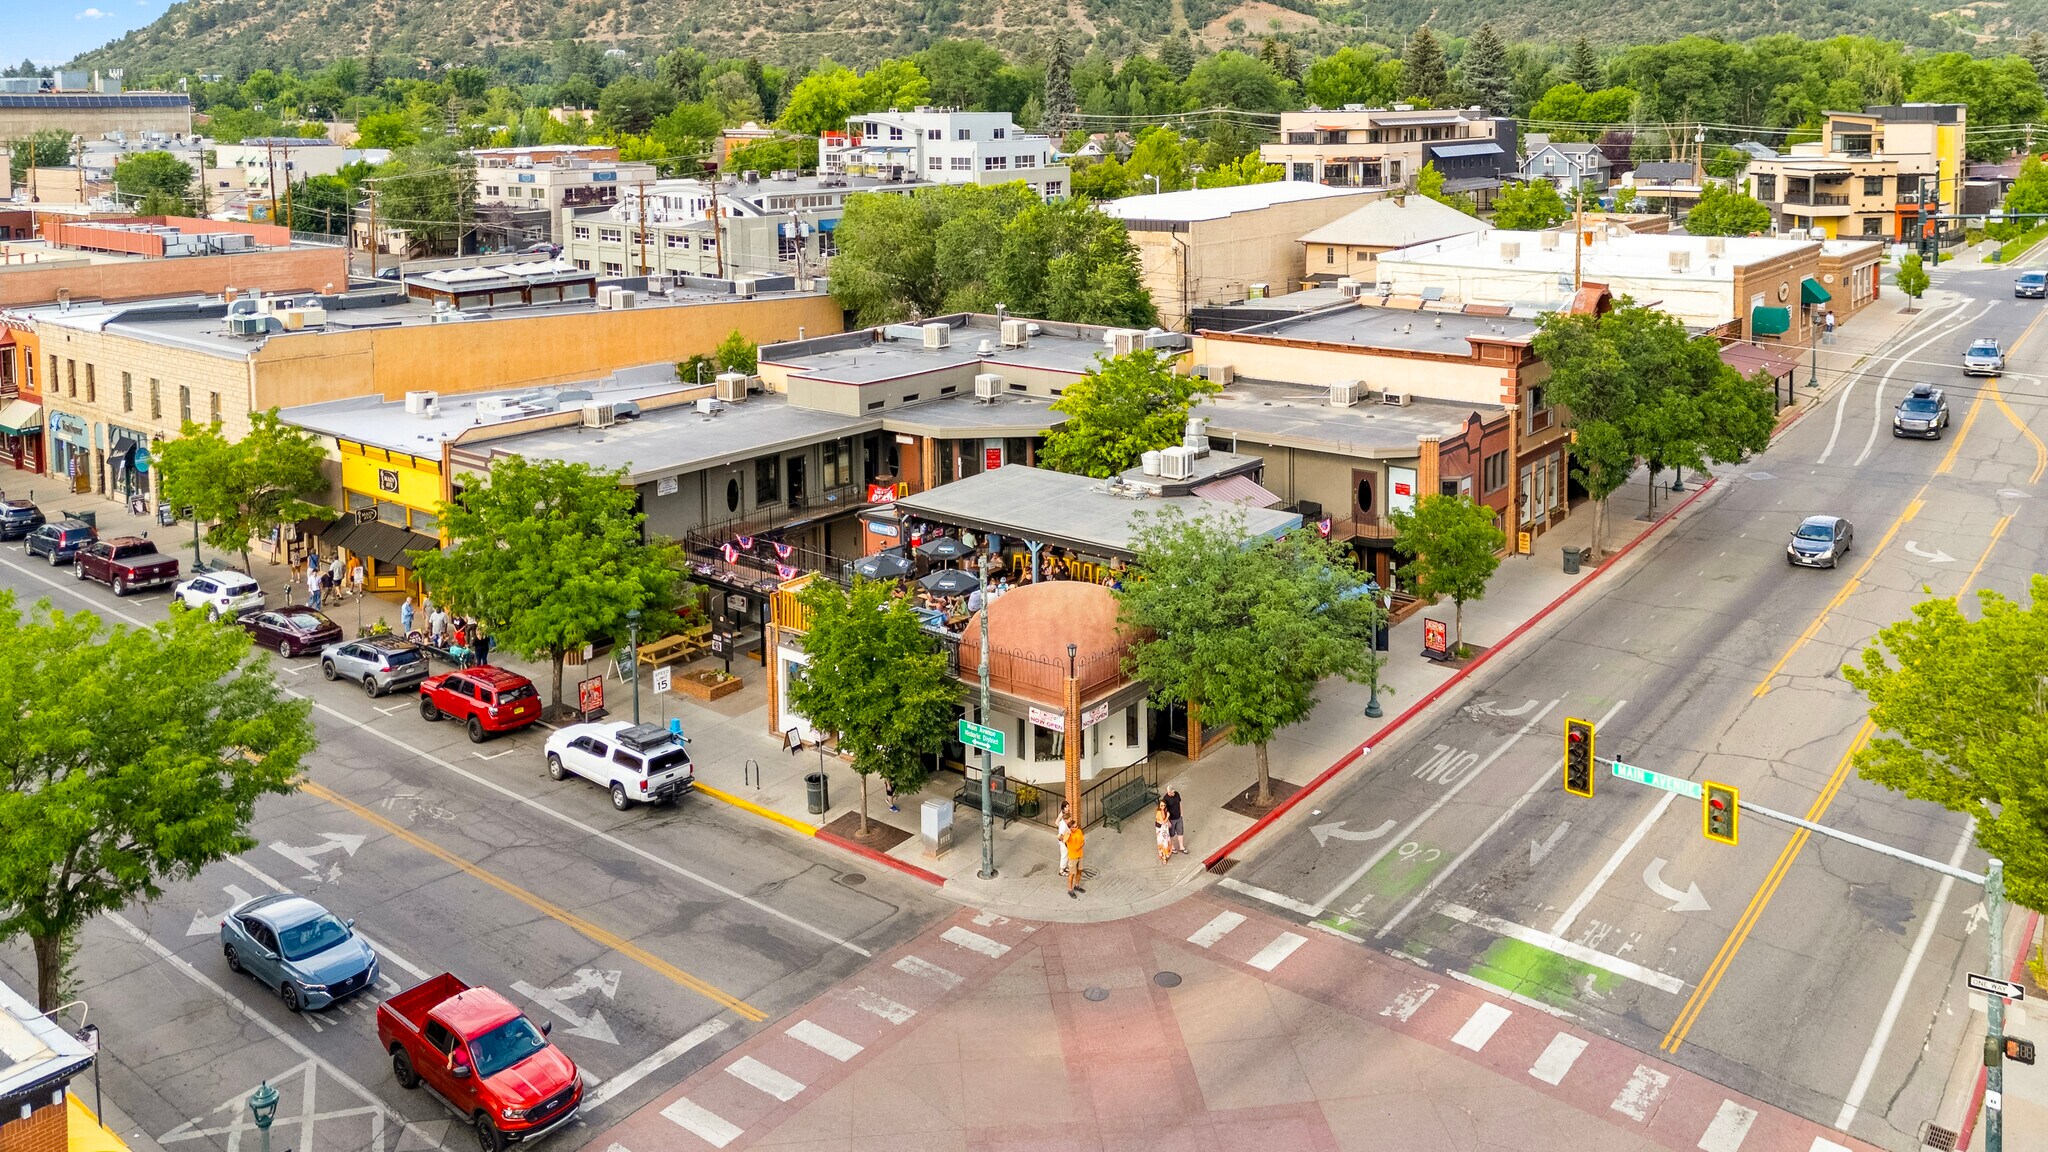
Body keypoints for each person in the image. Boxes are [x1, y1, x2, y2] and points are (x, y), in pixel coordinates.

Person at [1064, 823, 1085, 898]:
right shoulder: (1068, 834)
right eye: (1073, 827)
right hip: (1073, 857)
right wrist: (1069, 833)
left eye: (1076, 826)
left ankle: (1077, 885)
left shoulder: (1079, 831)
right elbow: (1064, 841)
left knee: (1080, 870)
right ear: (1070, 827)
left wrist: (1080, 846)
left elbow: (1083, 841)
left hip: (1080, 855)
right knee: (1072, 873)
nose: (1076, 828)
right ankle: (1070, 890)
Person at [1163, 785, 1186, 855]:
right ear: (1168, 792)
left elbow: (1179, 802)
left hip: (1178, 817)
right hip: (1171, 819)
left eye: (1174, 792)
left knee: (1180, 832)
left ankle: (1181, 847)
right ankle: (1172, 847)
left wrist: (1181, 812)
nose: (1173, 794)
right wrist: (1167, 821)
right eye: (1172, 793)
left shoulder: (1177, 794)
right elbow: (1164, 811)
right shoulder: (1165, 799)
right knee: (1172, 834)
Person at [1056, 803, 1073, 877]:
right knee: (1064, 855)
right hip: (1063, 842)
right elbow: (1059, 836)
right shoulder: (1063, 825)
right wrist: (1064, 841)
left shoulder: (1065, 823)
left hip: (1065, 839)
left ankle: (1064, 867)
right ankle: (1061, 870)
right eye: (1067, 807)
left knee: (1066, 854)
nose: (1068, 808)